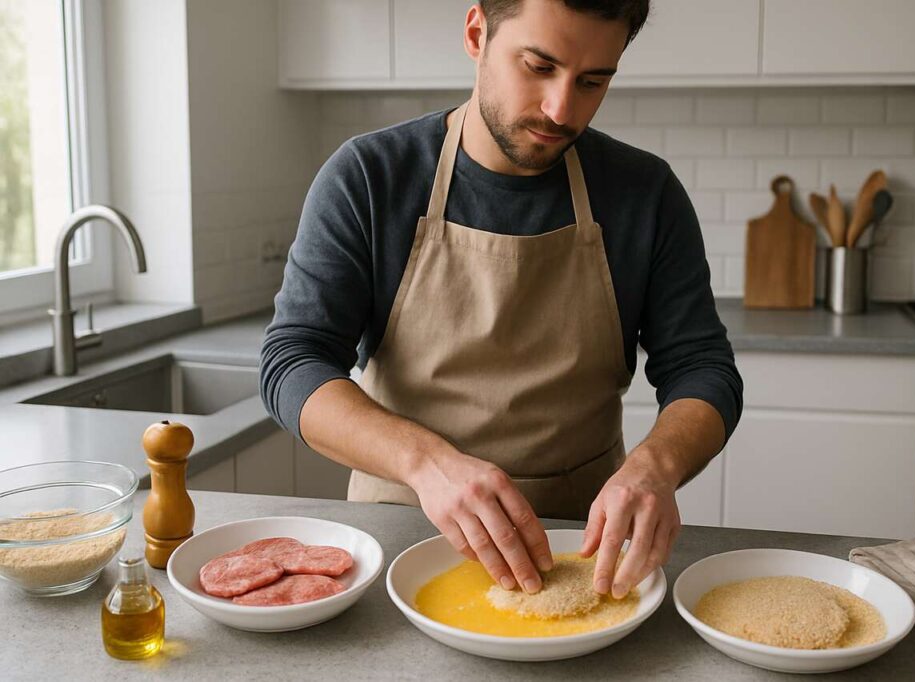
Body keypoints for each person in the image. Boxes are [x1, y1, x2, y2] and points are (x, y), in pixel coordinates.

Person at [260, 0, 742, 601]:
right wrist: (426, 463)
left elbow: (703, 368)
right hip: (404, 529)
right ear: (476, 33)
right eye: (538, 66)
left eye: (593, 82)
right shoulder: (368, 177)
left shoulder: (645, 194)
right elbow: (293, 361)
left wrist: (656, 468)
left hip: (581, 544)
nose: (561, 109)